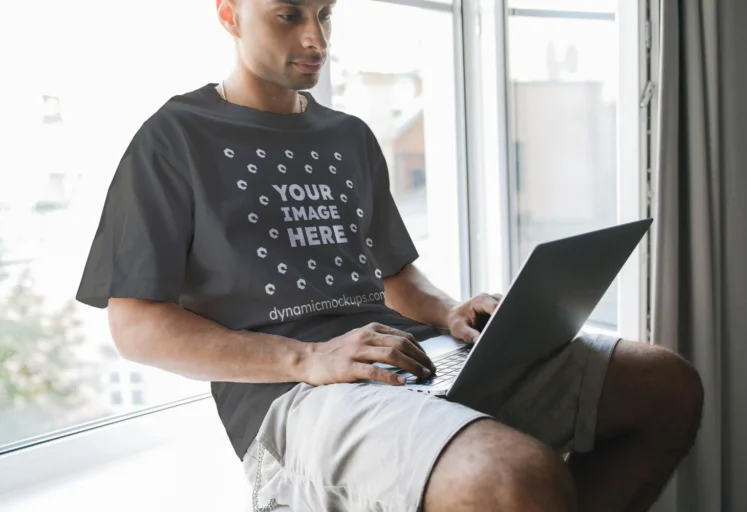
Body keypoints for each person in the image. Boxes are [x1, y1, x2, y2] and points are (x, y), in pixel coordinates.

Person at [75, 0, 704, 510]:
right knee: (518, 479)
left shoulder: (347, 135)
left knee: (665, 386)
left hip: (407, 354)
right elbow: (137, 326)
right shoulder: (174, 138)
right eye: (289, 15)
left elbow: (396, 275)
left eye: (326, 13)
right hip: (292, 393)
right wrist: (310, 356)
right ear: (229, 13)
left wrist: (449, 312)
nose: (315, 37)